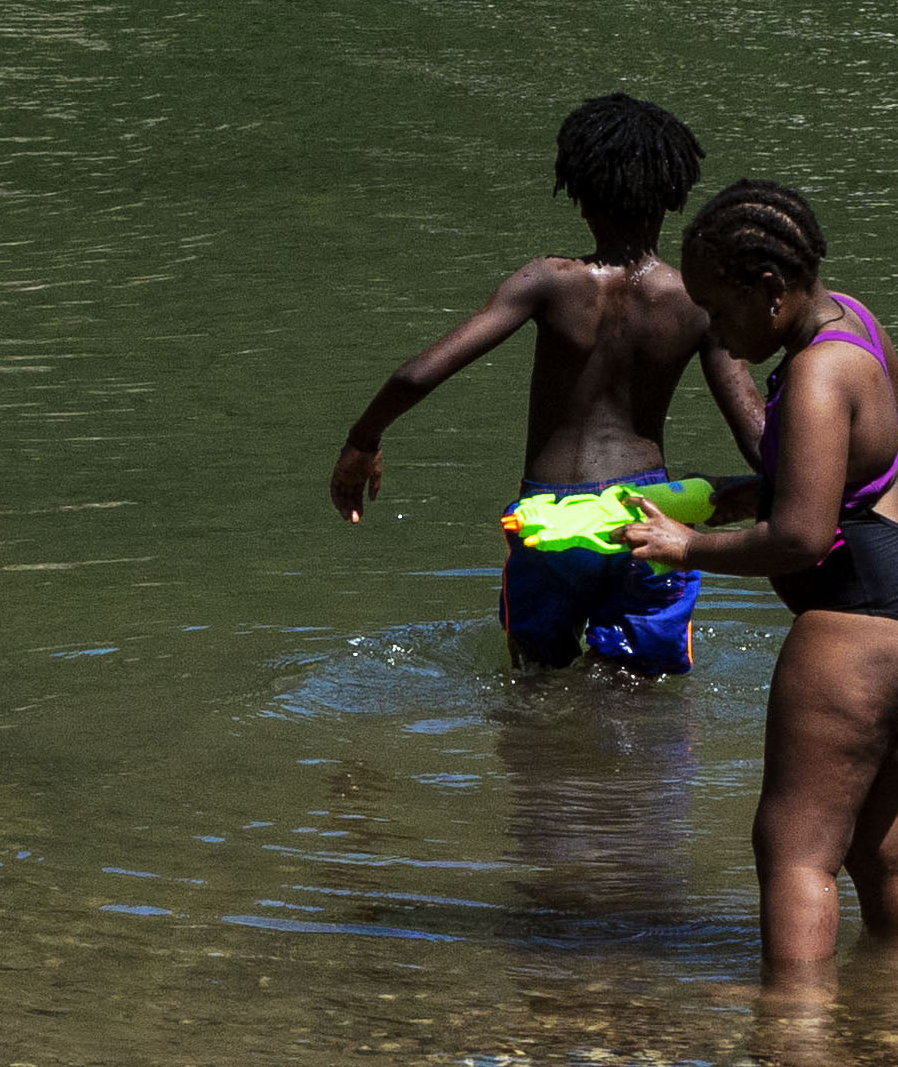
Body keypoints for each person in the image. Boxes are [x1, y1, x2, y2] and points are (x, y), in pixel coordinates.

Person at [615, 179, 898, 974]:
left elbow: (801, 539)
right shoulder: (854, 319)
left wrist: (686, 545)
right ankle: (896, 1005)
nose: (713, 328)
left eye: (720, 309)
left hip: (866, 620)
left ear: (770, 290)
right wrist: (791, 471)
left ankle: (794, 1036)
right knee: (888, 844)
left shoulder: (813, 375)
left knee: (794, 850)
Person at [326, 93, 760, 674]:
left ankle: (542, 763)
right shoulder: (696, 303)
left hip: (546, 517)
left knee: (535, 677)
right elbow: (756, 431)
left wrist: (362, 442)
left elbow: (416, 373)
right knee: (632, 687)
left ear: (578, 197)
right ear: (674, 197)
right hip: (646, 513)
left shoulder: (547, 282)